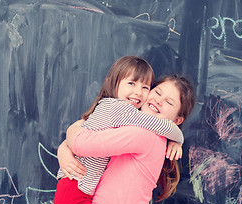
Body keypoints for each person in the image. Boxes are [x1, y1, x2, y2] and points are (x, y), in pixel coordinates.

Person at [54, 75, 196, 204]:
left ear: (177, 120)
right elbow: (90, 129)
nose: (158, 100)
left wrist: (66, 145)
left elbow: (82, 144)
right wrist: (64, 148)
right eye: (157, 92)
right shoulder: (145, 132)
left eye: (169, 102)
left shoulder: (144, 135)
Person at [56, 56, 184, 196]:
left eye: (145, 87)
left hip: (83, 186)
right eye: (131, 83)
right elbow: (164, 126)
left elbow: (81, 128)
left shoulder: (115, 110)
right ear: (112, 83)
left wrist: (64, 147)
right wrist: (178, 138)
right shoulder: (121, 110)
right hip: (78, 184)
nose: (138, 92)